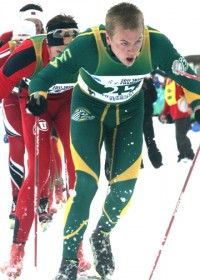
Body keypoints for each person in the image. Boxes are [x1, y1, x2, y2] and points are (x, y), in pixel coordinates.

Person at [12, 2, 200, 279]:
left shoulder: (156, 45)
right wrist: (38, 93)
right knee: (86, 185)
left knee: (124, 188)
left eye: (137, 41)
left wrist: (196, 103)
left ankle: (101, 235)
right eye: (124, 43)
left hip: (128, 112)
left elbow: (189, 77)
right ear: (107, 37)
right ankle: (67, 263)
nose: (132, 50)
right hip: (89, 110)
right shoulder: (87, 45)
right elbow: (45, 76)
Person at [0, 14, 89, 278]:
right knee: (38, 174)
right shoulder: (29, 54)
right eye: (59, 50)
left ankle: (77, 249)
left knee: (78, 174)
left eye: (70, 52)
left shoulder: (84, 51)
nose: (65, 56)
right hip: (33, 105)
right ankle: (17, 252)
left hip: (67, 104)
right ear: (48, 44)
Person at [160, 78, 195, 162]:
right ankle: (184, 154)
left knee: (180, 135)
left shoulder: (179, 82)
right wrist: (164, 113)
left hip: (183, 112)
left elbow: (188, 94)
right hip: (176, 114)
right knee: (179, 136)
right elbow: (167, 101)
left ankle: (188, 154)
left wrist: (190, 106)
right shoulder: (168, 83)